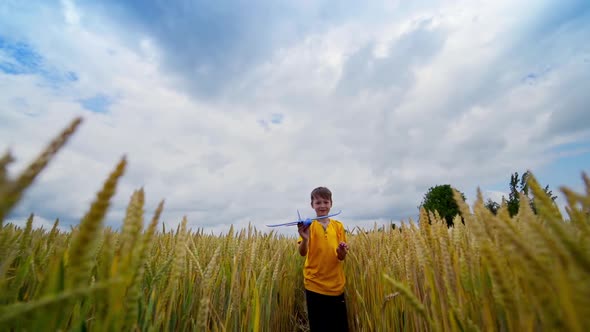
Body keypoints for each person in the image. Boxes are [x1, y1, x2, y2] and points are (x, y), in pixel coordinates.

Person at [297, 186, 349, 332]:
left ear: (331, 204)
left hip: (336, 286)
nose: (322, 206)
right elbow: (302, 252)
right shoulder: (308, 226)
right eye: (318, 202)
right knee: (319, 327)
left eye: (325, 202)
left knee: (339, 327)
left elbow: (341, 257)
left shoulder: (338, 226)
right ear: (312, 205)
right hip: (314, 285)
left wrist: (341, 251)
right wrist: (305, 239)